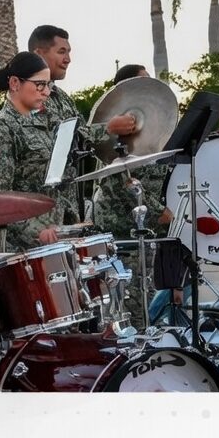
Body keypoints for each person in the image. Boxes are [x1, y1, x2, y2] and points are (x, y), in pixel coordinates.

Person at [28, 25, 138, 221]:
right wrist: (108, 128)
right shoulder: (28, 97)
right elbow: (53, 143)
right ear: (38, 54)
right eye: (61, 51)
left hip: (67, 209)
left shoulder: (62, 97)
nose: (68, 59)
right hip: (38, 216)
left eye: (69, 52)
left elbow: (83, 136)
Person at [93, 64, 174, 328]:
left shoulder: (149, 134)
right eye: (144, 83)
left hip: (144, 233)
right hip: (121, 234)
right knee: (130, 309)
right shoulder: (111, 138)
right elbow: (123, 185)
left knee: (148, 302)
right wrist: (157, 211)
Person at [0, 51, 70, 252]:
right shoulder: (1, 131)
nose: (46, 92)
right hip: (11, 252)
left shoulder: (42, 124)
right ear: (15, 83)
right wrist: (38, 231)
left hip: (47, 243)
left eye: (48, 85)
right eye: (40, 85)